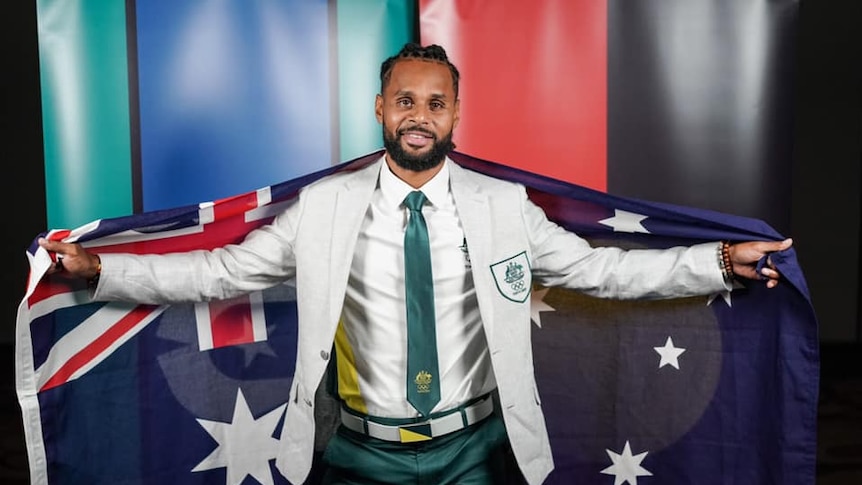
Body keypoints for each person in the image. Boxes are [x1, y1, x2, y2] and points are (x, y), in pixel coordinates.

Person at [38, 43, 793, 485]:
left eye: (435, 102)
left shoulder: (505, 206)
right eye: (405, 101)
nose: (419, 116)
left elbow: (609, 272)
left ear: (456, 114)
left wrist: (721, 260)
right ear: (379, 109)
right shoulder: (326, 208)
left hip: (476, 449)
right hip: (358, 450)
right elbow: (218, 275)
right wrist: (101, 271)